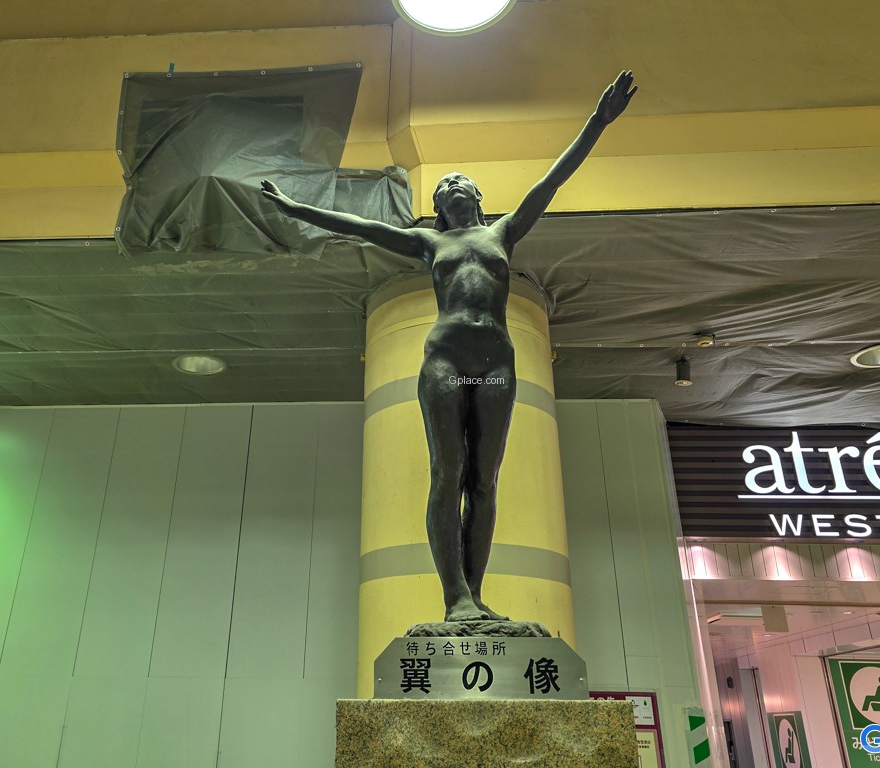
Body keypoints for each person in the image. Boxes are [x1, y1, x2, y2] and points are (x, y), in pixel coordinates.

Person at [262, 71, 636, 622]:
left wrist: (598, 122)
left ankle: (474, 597)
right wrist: (297, 210)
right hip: (446, 360)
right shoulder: (428, 240)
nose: (453, 184)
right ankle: (453, 595)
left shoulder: (503, 232)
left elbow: (551, 182)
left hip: (496, 364)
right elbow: (360, 226)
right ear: (438, 206)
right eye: (443, 185)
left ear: (478, 197)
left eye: (461, 180)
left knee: (483, 481)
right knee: (448, 470)